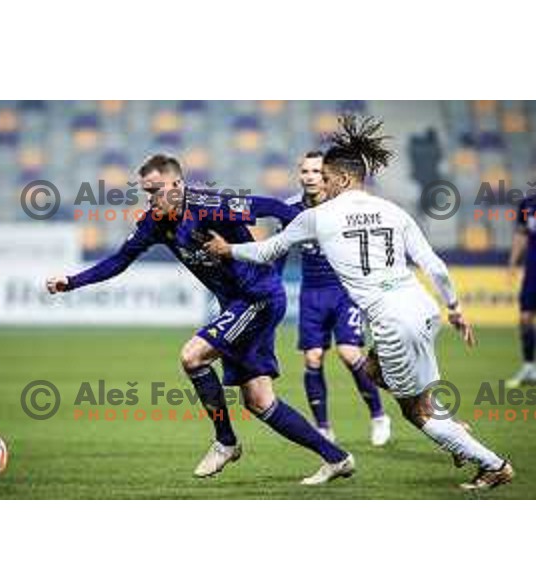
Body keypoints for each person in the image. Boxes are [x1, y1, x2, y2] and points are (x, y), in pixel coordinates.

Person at [205, 116, 513, 490]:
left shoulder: (317, 217)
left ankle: (494, 464)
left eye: (329, 178)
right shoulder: (394, 211)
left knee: (414, 410)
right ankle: (454, 428)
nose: (324, 184)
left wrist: (227, 249)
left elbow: (267, 250)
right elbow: (435, 266)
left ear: (345, 179)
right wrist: (455, 308)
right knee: (371, 369)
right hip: (423, 307)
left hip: (393, 320)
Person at [46, 154, 355, 484]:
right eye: (146, 193)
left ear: (178, 186)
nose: (151, 199)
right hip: (238, 304)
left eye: (156, 190)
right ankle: (336, 458)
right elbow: (120, 260)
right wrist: (72, 281)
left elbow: (274, 208)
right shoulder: (154, 222)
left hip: (257, 298)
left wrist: (319, 229)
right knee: (259, 401)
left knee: (192, 356)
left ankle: (225, 441)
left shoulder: (210, 206)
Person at [284, 151, 390, 445]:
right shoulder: (291, 208)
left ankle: (379, 416)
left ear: (327, 175)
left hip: (345, 291)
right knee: (313, 357)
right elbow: (279, 249)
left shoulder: (343, 206)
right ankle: (323, 428)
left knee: (349, 352)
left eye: (316, 172)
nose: (309, 177)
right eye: (304, 171)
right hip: (311, 293)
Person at [506, 194, 536, 387]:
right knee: (525, 317)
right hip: (533, 269)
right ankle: (528, 367)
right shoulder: (528, 204)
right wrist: (513, 262)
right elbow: (521, 234)